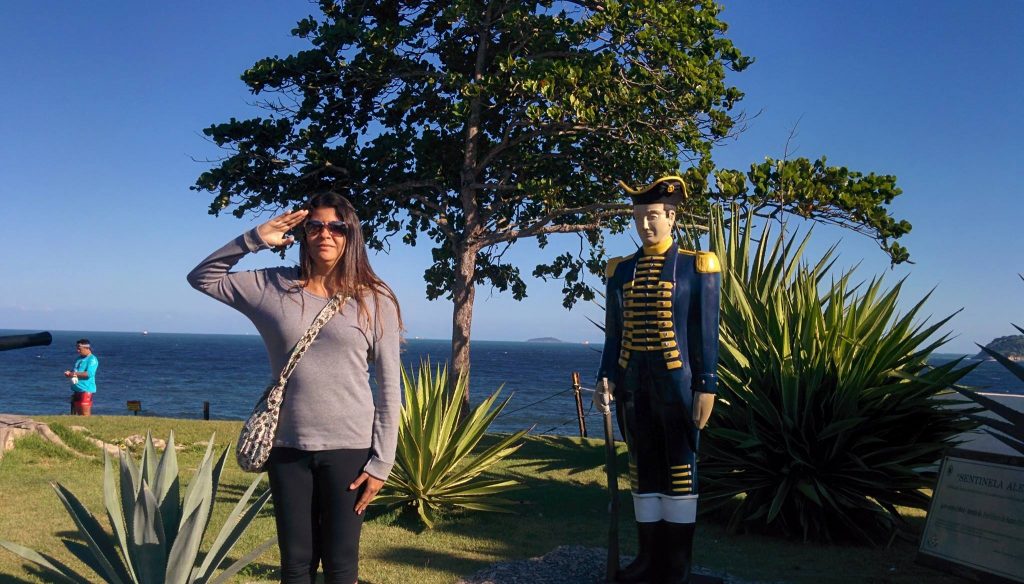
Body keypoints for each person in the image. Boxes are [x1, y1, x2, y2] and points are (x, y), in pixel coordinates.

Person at [187, 193, 402, 584]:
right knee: (295, 564)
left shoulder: (374, 298)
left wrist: (382, 463)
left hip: (349, 448)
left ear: (351, 235)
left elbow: (389, 387)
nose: (326, 234)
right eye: (315, 226)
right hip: (288, 446)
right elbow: (202, 278)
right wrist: (254, 238)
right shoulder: (271, 286)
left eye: (337, 227)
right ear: (302, 232)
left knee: (341, 565)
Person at [595, 176, 721, 584]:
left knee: (681, 468)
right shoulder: (620, 270)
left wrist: (707, 383)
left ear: (671, 216)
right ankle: (649, 558)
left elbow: (704, 333)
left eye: (652, 217)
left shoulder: (697, 266)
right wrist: (607, 377)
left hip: (679, 388)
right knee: (643, 468)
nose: (645, 226)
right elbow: (614, 334)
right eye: (638, 218)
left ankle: (678, 565)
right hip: (634, 387)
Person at [64, 339, 98, 416]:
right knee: (78, 415)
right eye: (77, 348)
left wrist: (73, 374)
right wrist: (69, 373)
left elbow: (88, 374)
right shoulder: (79, 359)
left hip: (86, 390)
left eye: (79, 348)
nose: (78, 350)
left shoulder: (92, 359)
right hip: (76, 390)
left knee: (85, 413)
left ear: (87, 348)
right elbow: (76, 371)